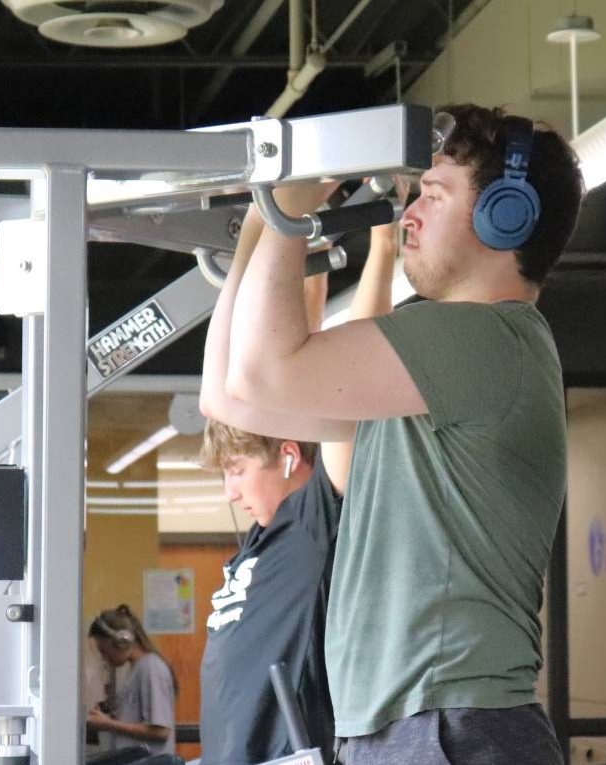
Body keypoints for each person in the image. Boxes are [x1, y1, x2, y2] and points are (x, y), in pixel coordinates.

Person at [219, 104, 586, 764]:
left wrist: (287, 208)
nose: (409, 214)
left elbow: (259, 373)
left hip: (449, 725)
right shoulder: (438, 371)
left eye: (433, 195)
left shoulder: (485, 339)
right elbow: (234, 398)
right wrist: (265, 217)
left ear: (506, 215)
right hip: (412, 727)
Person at [193, 196, 399, 762]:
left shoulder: (315, 518)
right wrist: (299, 251)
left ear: (287, 455)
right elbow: (288, 341)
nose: (230, 491)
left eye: (237, 470)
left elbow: (352, 376)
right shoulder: (262, 538)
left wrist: (383, 247)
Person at [87, 606, 178, 762]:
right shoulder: (137, 669)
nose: (104, 658)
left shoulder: (151, 668)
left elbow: (160, 731)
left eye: (104, 651)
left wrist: (108, 724)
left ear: (120, 642)